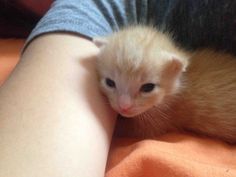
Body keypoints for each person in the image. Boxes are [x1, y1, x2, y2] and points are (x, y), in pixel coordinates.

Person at [0, 1, 235, 177]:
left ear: (176, 69)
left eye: (147, 88)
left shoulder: (173, 92)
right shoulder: (90, 13)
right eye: (110, 83)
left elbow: (141, 129)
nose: (124, 104)